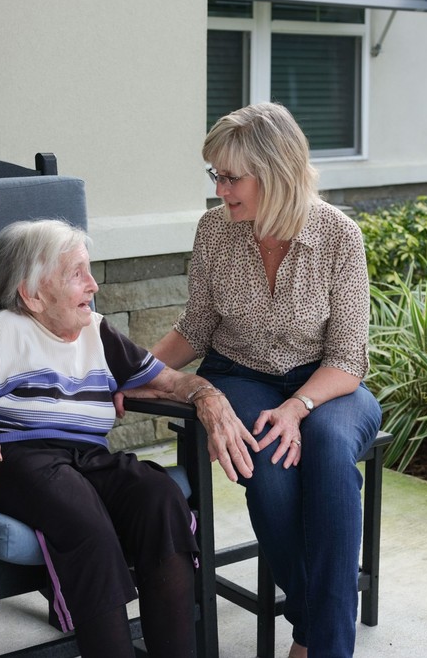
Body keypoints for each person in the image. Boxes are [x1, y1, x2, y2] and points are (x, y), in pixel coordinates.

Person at [0, 219, 258, 658]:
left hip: (88, 459)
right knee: (82, 516)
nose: (93, 285)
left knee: (160, 498)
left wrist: (207, 395)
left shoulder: (97, 330)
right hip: (17, 459)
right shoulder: (1, 333)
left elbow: (169, 382)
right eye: (77, 274)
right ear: (32, 295)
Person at [146, 102, 382, 658]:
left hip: (329, 382)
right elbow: (196, 330)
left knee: (327, 448)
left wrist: (298, 407)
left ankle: (319, 644)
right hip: (240, 372)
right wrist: (137, 373)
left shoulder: (338, 237)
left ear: (275, 174)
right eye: (216, 176)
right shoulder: (214, 231)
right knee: (271, 473)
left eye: (231, 178)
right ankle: (315, 630)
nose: (220, 189)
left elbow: (349, 359)